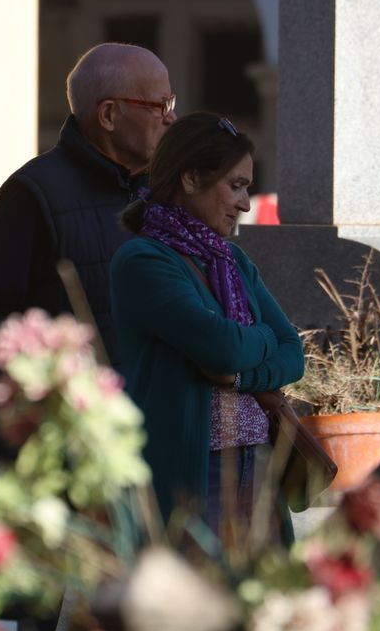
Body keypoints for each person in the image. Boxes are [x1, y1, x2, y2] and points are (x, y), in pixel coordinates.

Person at [0, 43, 176, 461]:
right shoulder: (33, 193)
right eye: (159, 105)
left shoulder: (161, 195)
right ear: (109, 114)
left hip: (143, 449)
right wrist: (59, 375)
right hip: (60, 451)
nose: (171, 118)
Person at [110, 113, 304, 542]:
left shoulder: (233, 261)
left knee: (265, 605)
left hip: (258, 464)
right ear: (191, 179)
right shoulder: (144, 261)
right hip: (196, 475)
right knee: (200, 604)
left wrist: (243, 375)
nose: (246, 203)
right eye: (235, 186)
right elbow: (224, 348)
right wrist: (261, 340)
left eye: (247, 187)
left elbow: (293, 351)